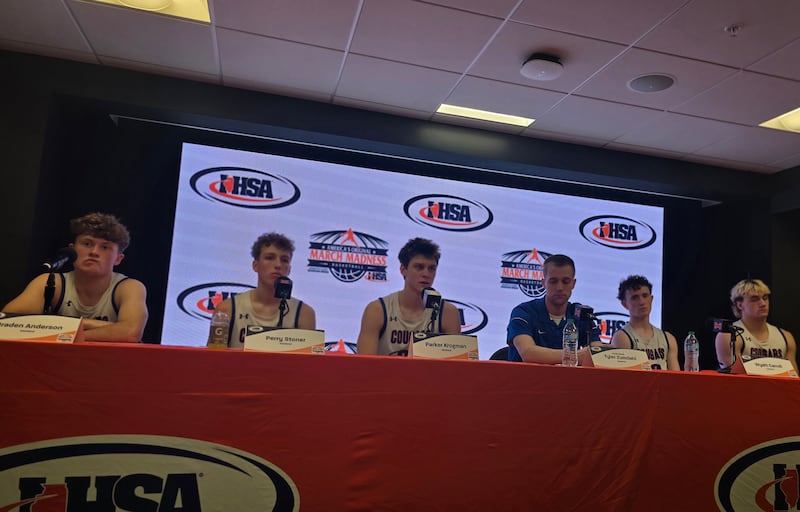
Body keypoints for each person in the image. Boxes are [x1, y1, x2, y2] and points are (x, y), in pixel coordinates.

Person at [3, 212, 148, 342]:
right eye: (87, 244)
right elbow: (7, 323)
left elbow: (131, 332)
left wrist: (64, 333)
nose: (94, 252)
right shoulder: (51, 282)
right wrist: (98, 327)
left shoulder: (129, 287)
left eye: (105, 247)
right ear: (72, 250)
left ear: (118, 259)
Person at [357, 237, 461, 356]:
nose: (426, 274)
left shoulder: (448, 313)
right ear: (403, 269)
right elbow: (365, 366)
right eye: (419, 267)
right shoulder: (377, 310)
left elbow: (455, 368)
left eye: (431, 269)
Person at [214, 232, 316, 348]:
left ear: (289, 270)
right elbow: (213, 360)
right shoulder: (227, 309)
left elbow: (307, 364)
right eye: (270, 258)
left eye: (284, 260)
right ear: (255, 265)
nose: (278, 265)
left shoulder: (304, 314)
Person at [506, 254, 599, 363]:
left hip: (570, 379)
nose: (560, 288)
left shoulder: (580, 314)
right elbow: (528, 353)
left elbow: (597, 352)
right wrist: (578, 355)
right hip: (527, 379)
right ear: (543, 283)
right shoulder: (524, 311)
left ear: (573, 284)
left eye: (566, 281)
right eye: (553, 281)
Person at [715, 278, 797, 371]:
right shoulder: (729, 336)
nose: (763, 303)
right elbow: (735, 378)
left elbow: (793, 378)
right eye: (755, 299)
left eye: (765, 298)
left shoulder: (786, 337)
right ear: (740, 305)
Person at [610, 275, 679, 371]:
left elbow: (676, 378)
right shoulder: (622, 337)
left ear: (651, 299)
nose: (641, 302)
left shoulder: (668, 338)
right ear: (624, 304)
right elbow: (622, 380)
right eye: (635, 297)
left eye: (645, 296)